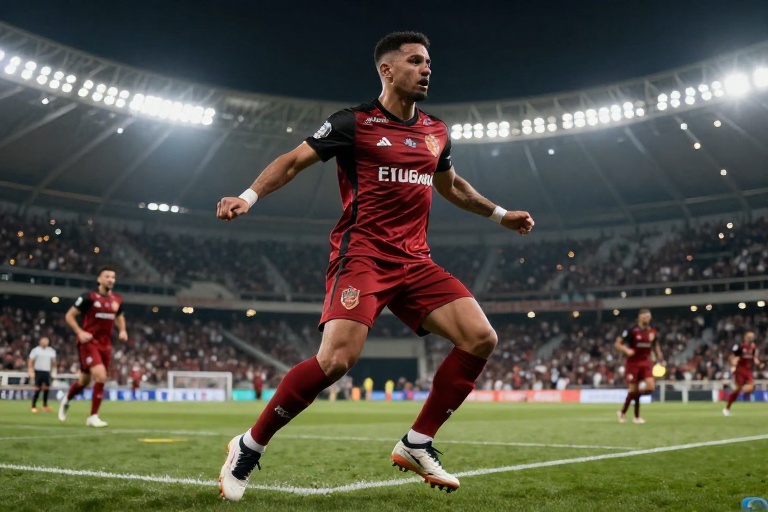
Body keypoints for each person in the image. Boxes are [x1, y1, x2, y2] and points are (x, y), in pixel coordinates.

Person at [215, 31, 534, 501]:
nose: (427, 69)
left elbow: (452, 186)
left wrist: (501, 215)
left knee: (480, 337)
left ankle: (417, 443)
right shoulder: (353, 123)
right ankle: (249, 445)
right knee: (335, 361)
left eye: (428, 62)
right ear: (387, 69)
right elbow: (293, 161)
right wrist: (249, 196)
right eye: (415, 61)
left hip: (416, 261)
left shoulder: (436, 131)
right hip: (362, 255)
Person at [59, 266, 127, 427]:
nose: (110, 279)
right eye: (107, 276)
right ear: (99, 279)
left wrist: (123, 330)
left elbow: (119, 316)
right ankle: (93, 416)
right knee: (101, 377)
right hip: (88, 343)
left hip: (106, 345)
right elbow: (69, 315)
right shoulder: (88, 297)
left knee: (84, 381)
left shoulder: (117, 299)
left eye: (113, 277)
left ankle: (67, 399)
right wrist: (79, 332)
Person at [615, 309, 664, 424]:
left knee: (650, 387)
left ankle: (623, 412)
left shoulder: (652, 331)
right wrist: (627, 350)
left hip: (646, 362)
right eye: (644, 317)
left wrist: (660, 355)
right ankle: (634, 416)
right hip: (633, 363)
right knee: (634, 390)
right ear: (639, 318)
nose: (646, 318)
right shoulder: (632, 330)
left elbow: (656, 344)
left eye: (648, 316)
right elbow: (618, 343)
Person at [723, 330, 763, 416]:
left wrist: (759, 363)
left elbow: (753, 357)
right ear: (745, 337)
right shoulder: (740, 346)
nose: (751, 338)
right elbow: (733, 357)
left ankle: (739, 390)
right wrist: (733, 366)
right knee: (737, 391)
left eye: (752, 337)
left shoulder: (753, 347)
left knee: (751, 387)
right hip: (740, 370)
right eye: (750, 337)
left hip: (747, 370)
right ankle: (727, 408)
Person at [28, 336, 56, 412]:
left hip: (47, 371)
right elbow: (31, 361)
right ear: (40, 342)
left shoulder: (51, 351)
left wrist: (54, 371)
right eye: (43, 341)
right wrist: (31, 371)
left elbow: (54, 362)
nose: (45, 343)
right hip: (38, 371)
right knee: (37, 389)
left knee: (46, 388)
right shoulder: (35, 350)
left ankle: (45, 405)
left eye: (46, 342)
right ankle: (33, 406)